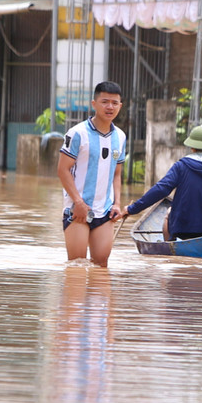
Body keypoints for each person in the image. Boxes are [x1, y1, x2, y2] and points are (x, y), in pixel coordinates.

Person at [57, 81, 126, 266]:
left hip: (105, 211)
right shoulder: (77, 133)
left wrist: (117, 204)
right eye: (105, 102)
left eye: (114, 102)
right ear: (94, 104)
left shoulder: (120, 137)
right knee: (77, 265)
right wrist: (78, 202)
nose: (109, 107)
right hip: (78, 209)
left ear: (120, 106)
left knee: (101, 265)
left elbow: (117, 173)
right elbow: (62, 170)